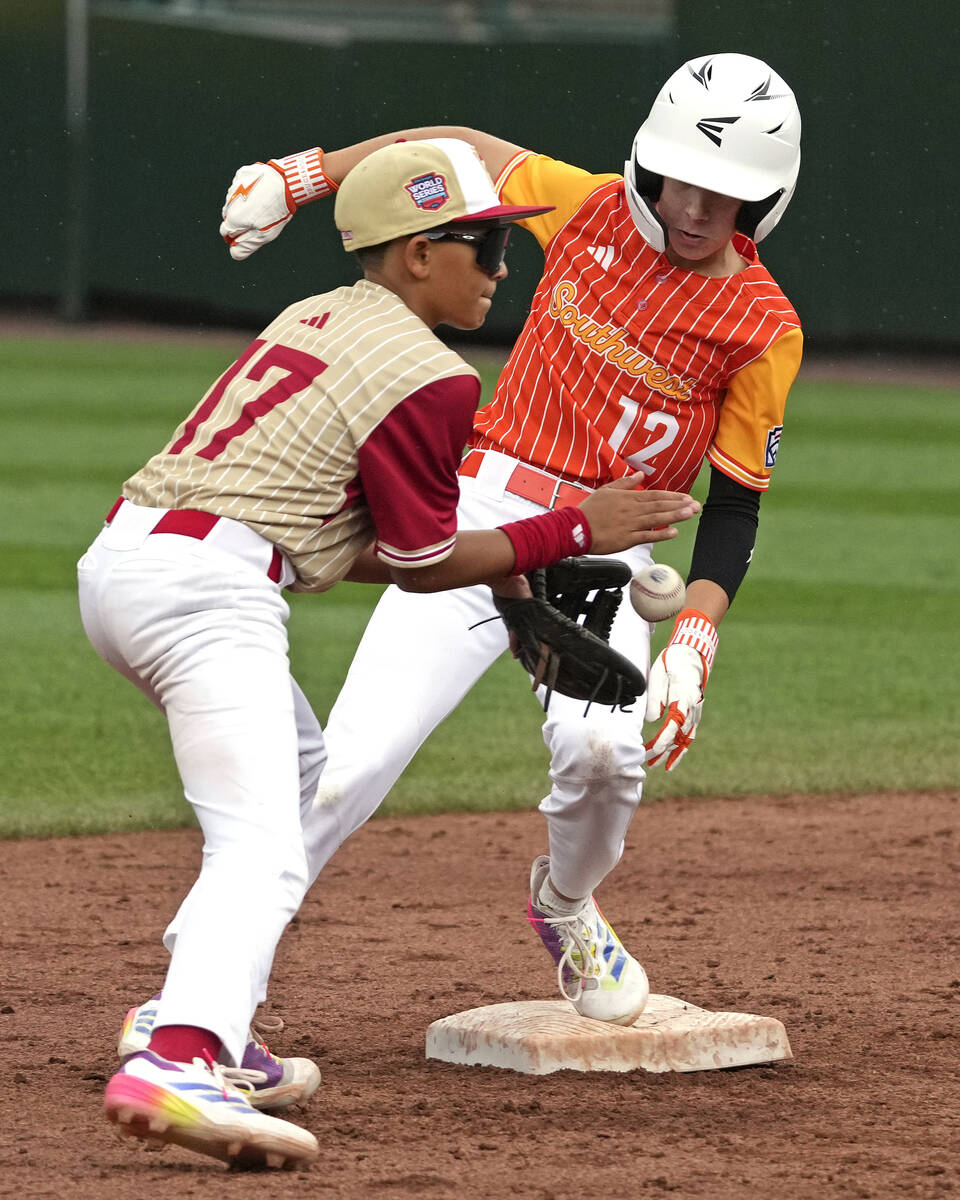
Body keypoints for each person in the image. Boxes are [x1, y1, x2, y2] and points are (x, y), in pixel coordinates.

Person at [79, 137, 699, 1169]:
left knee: (306, 778)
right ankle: (177, 1055)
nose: (504, 269)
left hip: (128, 564)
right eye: (483, 248)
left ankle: (216, 1025)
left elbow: (339, 540)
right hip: (204, 599)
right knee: (265, 844)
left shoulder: (314, 317)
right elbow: (419, 564)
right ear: (416, 255)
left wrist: (511, 582)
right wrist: (576, 529)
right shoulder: (434, 376)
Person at [212, 52, 803, 1031]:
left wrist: (697, 635)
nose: (696, 209)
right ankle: (206, 992)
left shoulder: (764, 326)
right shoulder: (589, 207)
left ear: (769, 199)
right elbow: (445, 150)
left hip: (599, 555)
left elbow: (735, 506)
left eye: (729, 194)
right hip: (478, 512)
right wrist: (303, 176)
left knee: (606, 760)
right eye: (680, 179)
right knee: (351, 767)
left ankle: (564, 904)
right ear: (647, 163)